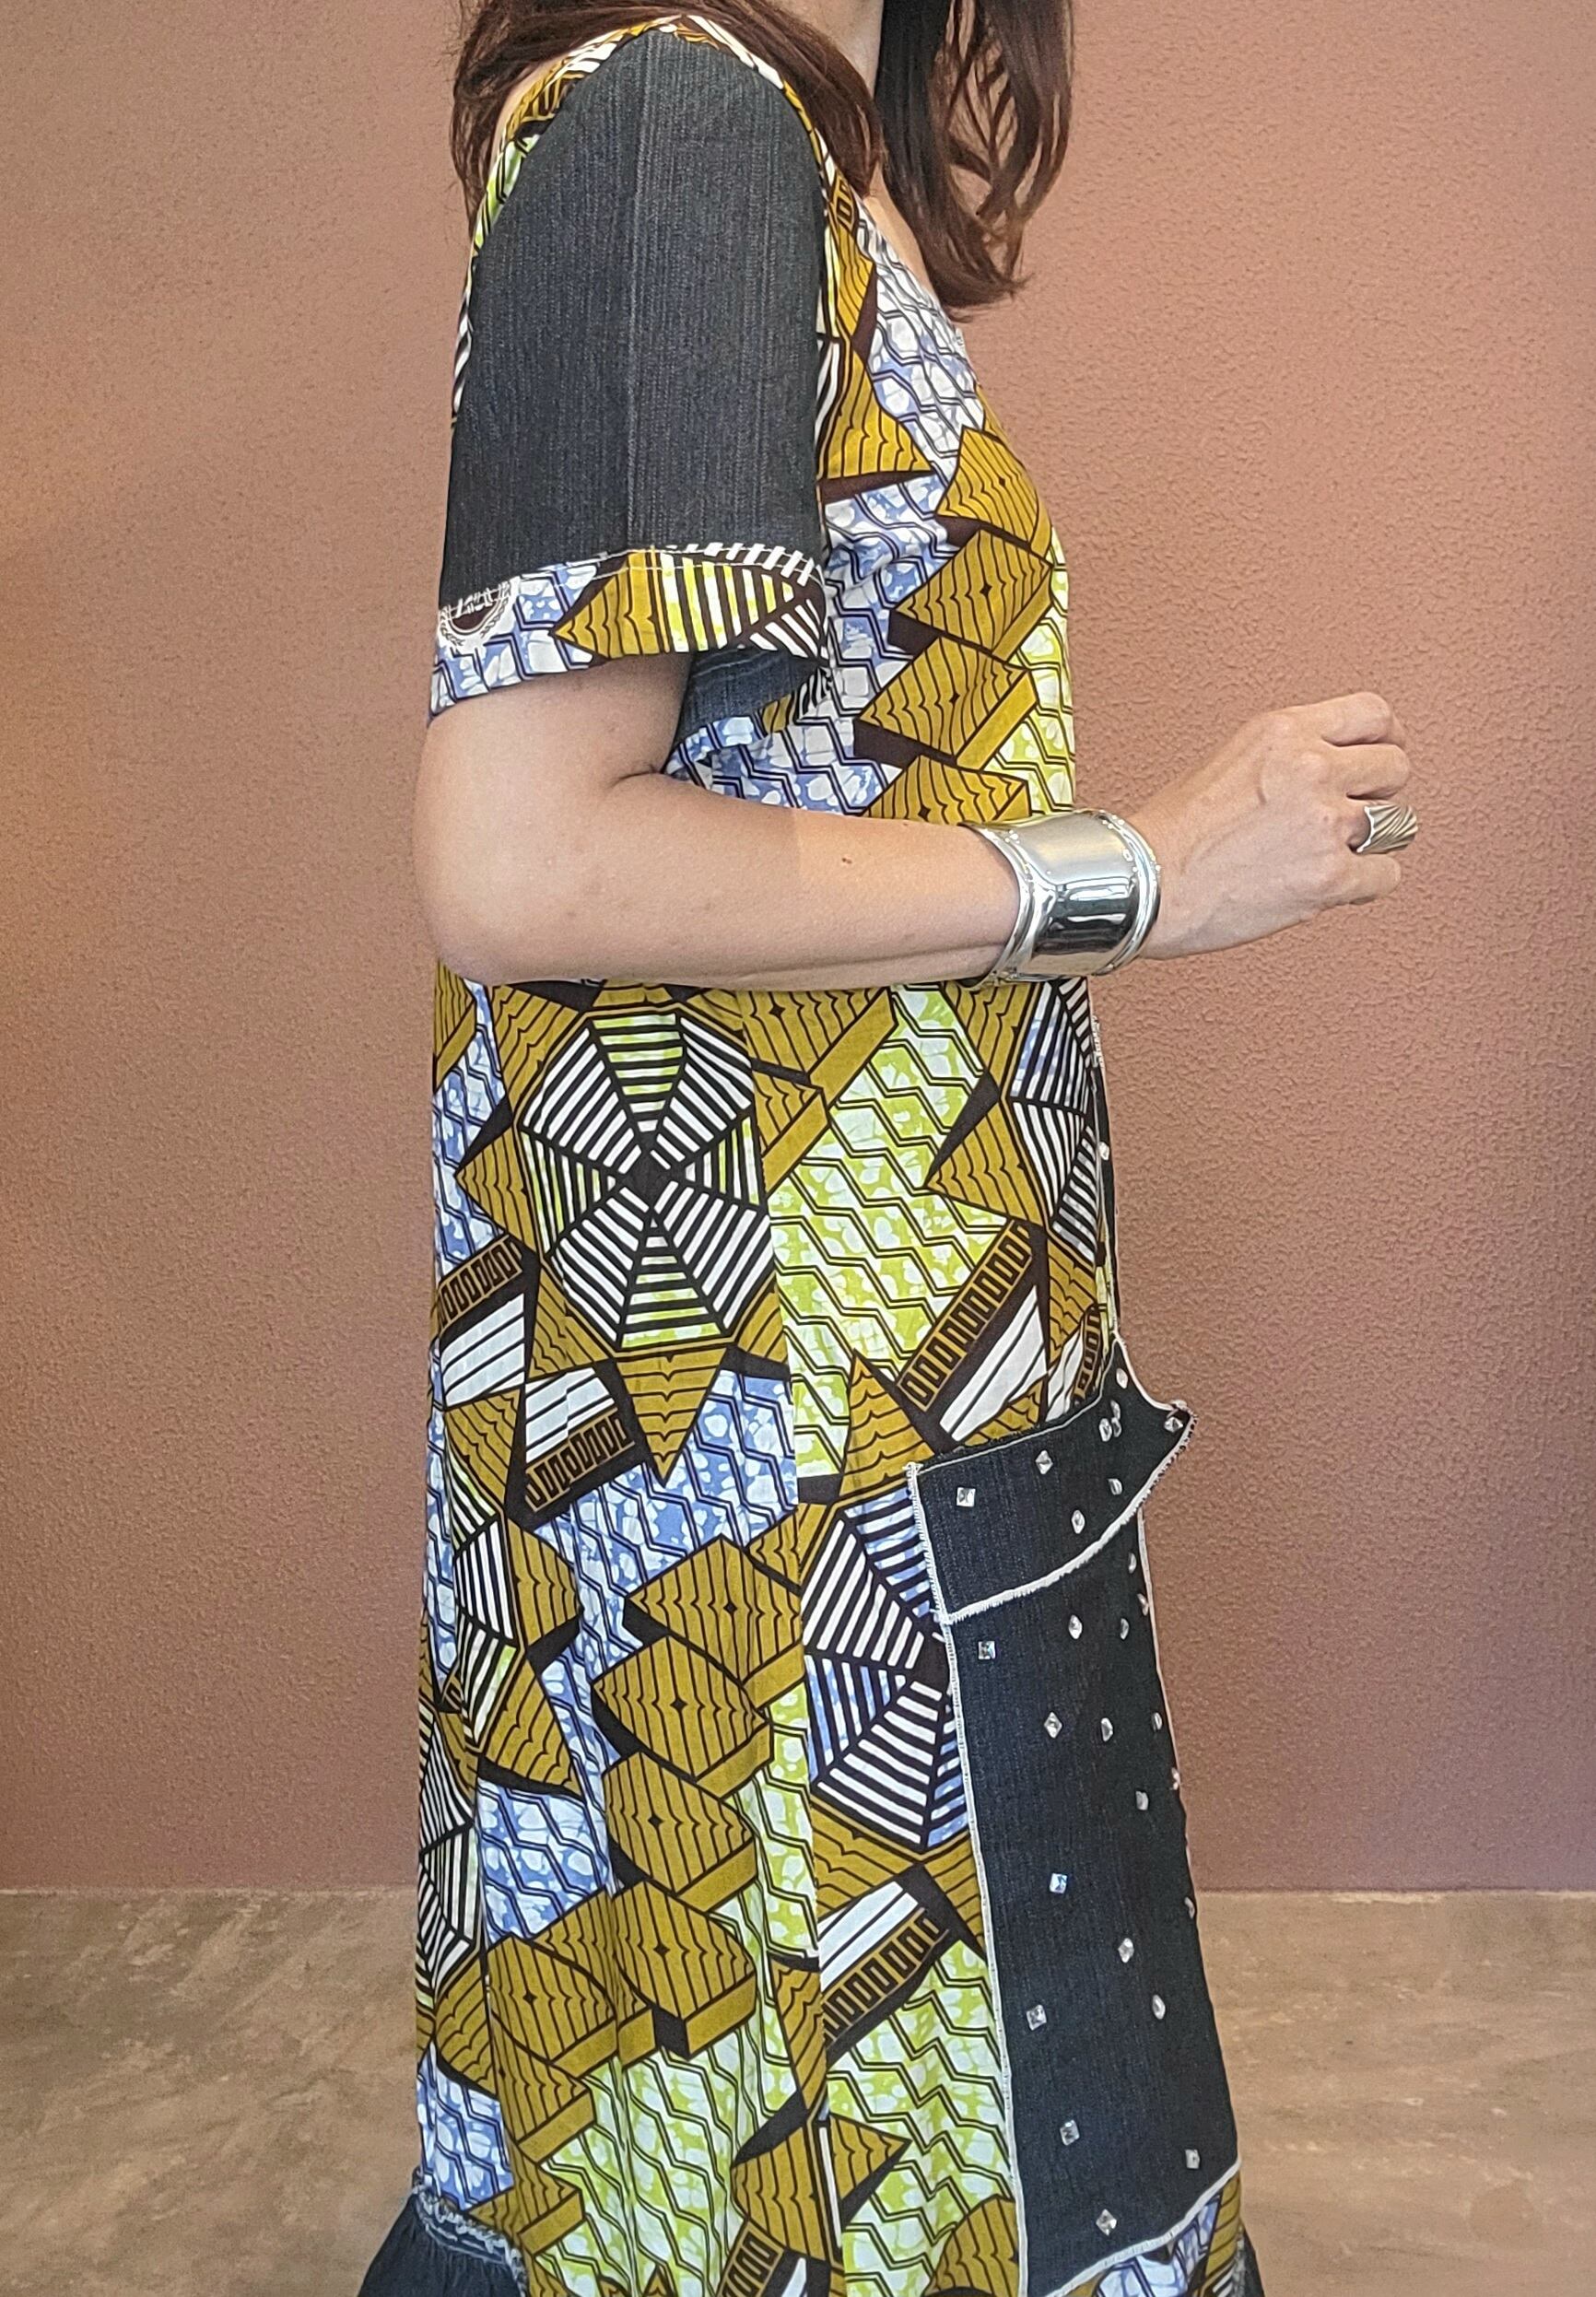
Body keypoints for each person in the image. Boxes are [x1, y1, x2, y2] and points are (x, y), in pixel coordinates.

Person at [360, 3, 1415, 2291]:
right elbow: (521, 851)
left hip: (864, 1406)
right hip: (774, 1461)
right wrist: (1132, 868)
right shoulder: (670, 118)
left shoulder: (773, 144)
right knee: (845, 2163)